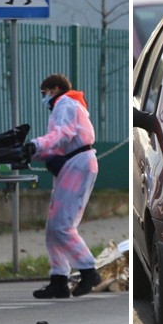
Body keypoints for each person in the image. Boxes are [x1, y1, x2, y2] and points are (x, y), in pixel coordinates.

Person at [22, 74, 101, 298]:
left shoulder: (65, 103)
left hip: (77, 164)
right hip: (74, 163)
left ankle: (88, 269)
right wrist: (34, 151)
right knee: (53, 228)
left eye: (43, 92)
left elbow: (61, 135)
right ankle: (59, 278)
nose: (43, 98)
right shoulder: (69, 104)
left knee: (62, 225)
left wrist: (36, 145)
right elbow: (58, 144)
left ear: (54, 89)